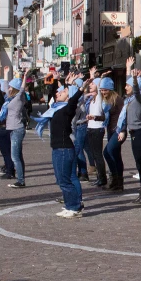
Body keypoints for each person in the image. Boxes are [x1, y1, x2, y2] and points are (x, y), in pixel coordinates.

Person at [45, 74, 87, 218]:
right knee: (60, 179)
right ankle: (70, 205)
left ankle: (75, 207)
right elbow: (53, 94)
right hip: (57, 148)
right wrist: (61, 82)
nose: (58, 93)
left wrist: (80, 89)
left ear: (68, 98)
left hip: (64, 148)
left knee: (65, 180)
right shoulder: (56, 108)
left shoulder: (68, 110)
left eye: (62, 92)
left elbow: (74, 101)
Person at [121, 58, 141, 205]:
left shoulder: (139, 100)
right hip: (134, 134)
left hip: (139, 134)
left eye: (128, 86)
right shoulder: (129, 100)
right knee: (139, 166)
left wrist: (134, 80)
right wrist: (128, 69)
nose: (125, 87)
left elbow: (138, 92)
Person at [5, 68, 31, 189]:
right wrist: (5, 75)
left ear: (14, 88)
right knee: (18, 156)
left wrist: (24, 76)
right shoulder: (11, 98)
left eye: (11, 87)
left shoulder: (19, 98)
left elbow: (21, 89)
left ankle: (20, 180)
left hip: (17, 129)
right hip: (13, 129)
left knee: (15, 156)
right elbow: (5, 89)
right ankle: (21, 179)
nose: (9, 89)